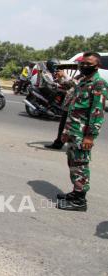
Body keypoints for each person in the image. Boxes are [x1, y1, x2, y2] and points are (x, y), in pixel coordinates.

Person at [57, 52, 108, 211]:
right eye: (83, 63)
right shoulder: (82, 80)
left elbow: (97, 112)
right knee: (73, 162)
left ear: (97, 65)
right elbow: (69, 87)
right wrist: (61, 77)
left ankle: (80, 200)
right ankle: (75, 191)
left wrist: (90, 137)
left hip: (82, 133)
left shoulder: (99, 83)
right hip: (73, 131)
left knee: (80, 165)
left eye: (88, 64)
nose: (84, 66)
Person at [45, 69, 81, 150]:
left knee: (73, 127)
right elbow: (68, 85)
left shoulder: (88, 79)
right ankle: (58, 143)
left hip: (76, 107)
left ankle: (74, 146)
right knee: (62, 126)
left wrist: (65, 76)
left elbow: (77, 85)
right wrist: (60, 78)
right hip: (68, 105)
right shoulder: (79, 76)